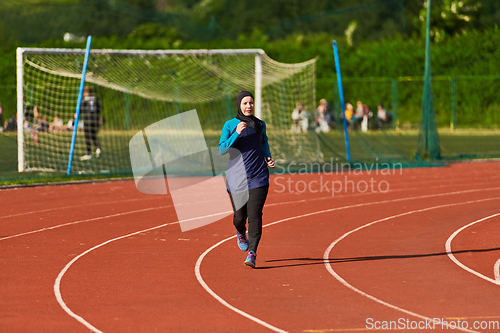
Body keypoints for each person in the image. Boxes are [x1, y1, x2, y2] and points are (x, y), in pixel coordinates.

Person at [218, 90, 275, 268]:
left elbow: (264, 141)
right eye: (245, 103)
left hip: (259, 176)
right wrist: (236, 133)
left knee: (255, 215)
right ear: (239, 105)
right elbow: (221, 150)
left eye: (251, 103)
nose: (248, 106)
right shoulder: (230, 124)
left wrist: (268, 157)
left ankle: (252, 252)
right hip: (237, 179)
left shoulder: (260, 124)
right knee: (239, 217)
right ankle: (240, 231)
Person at [80, 86, 102, 161]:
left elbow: (80, 110)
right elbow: (100, 109)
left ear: (85, 93)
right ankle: (98, 149)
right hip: (95, 120)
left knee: (87, 137)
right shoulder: (95, 99)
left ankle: (88, 153)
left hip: (87, 120)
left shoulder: (84, 100)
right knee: (94, 135)